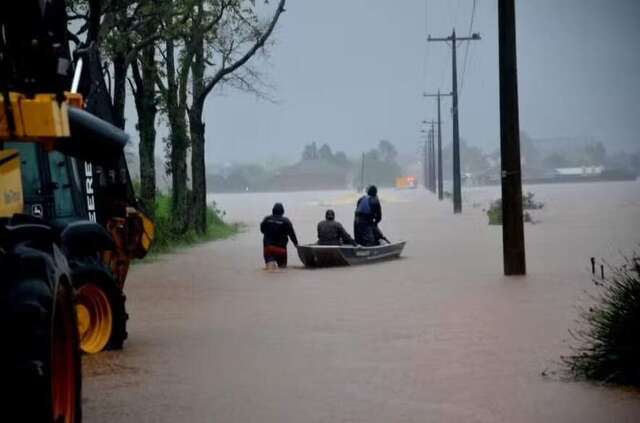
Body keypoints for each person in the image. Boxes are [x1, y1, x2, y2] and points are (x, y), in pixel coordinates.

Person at [260, 202, 298, 269]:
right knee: (282, 269)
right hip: (281, 249)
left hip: (268, 248)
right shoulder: (286, 221)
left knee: (270, 269)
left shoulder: (266, 219)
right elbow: (292, 235)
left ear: (273, 210)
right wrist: (296, 244)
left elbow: (262, 230)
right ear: (283, 212)